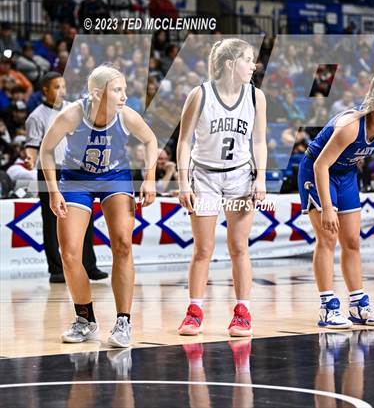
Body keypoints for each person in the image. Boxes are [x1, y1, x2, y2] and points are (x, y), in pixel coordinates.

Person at [40, 65, 157, 347]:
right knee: (69, 253)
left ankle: (123, 322)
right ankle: (85, 320)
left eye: (124, 89)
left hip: (114, 176)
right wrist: (53, 191)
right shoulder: (72, 115)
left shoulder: (126, 115)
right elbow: (46, 149)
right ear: (96, 93)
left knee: (123, 244)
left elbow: (150, 140)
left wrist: (150, 177)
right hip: (76, 179)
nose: (124, 96)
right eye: (117, 90)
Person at [298, 73, 374, 329]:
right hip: (317, 171)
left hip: (346, 174)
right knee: (327, 239)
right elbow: (320, 165)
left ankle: (358, 304)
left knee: (352, 241)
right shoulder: (350, 126)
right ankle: (327, 307)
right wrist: (327, 207)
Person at [177, 39, 267, 337]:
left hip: (240, 176)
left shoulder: (256, 96)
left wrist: (261, 177)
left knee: (239, 247)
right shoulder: (200, 94)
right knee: (203, 248)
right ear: (230, 64)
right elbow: (184, 142)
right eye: (248, 60)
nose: (253, 66)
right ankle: (194, 311)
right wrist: (183, 182)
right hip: (205, 177)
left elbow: (259, 141)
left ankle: (243, 311)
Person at [24, 72, 107, 283]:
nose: (61, 90)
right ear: (45, 90)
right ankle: (56, 269)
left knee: (85, 216)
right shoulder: (36, 116)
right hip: (50, 171)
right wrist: (29, 158)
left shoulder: (74, 109)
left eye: (63, 86)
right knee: (51, 219)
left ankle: (89, 265)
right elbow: (32, 146)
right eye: (56, 87)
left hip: (75, 168)